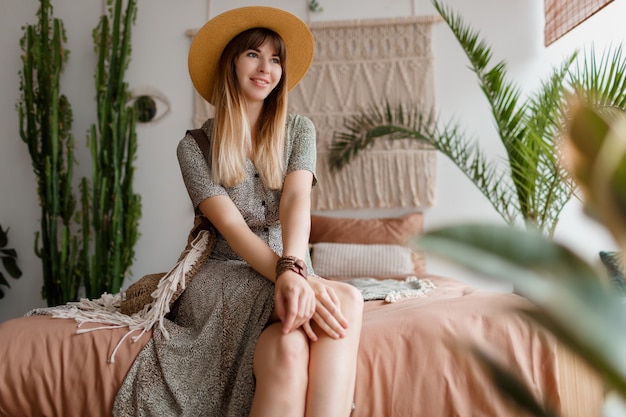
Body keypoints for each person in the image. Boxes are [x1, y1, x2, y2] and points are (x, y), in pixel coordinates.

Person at [112, 6, 364, 417]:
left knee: (290, 346)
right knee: (346, 299)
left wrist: (295, 269)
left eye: (276, 58)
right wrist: (290, 275)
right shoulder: (194, 147)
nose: (266, 67)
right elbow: (230, 226)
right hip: (224, 272)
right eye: (253, 54)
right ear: (230, 62)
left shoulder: (299, 130)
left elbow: (297, 200)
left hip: (291, 260)